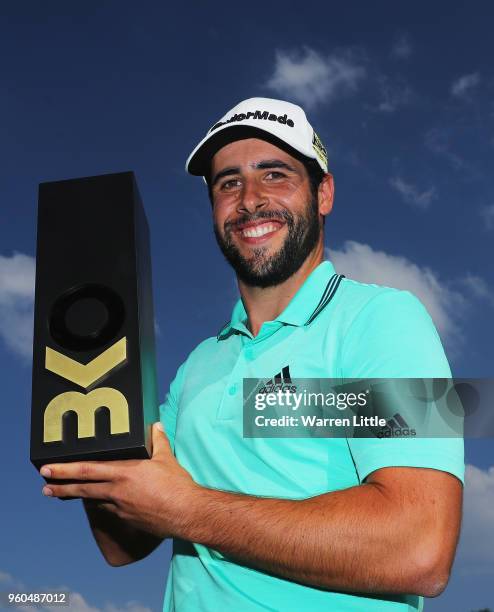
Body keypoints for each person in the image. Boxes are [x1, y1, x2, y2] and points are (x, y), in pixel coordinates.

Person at [40, 97, 464, 612]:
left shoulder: (384, 318)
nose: (250, 199)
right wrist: (91, 452)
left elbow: (418, 548)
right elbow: (122, 547)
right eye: (228, 183)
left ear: (323, 193)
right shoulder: (197, 366)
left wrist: (186, 509)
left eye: (275, 174)